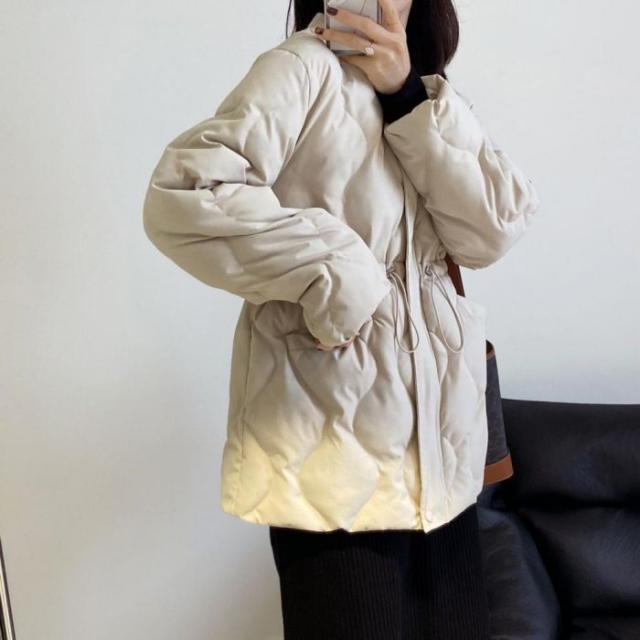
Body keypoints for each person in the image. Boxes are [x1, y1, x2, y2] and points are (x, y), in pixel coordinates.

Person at [142, 0, 540, 637]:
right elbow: (185, 194)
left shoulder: (428, 90)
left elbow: (491, 230)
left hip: (441, 467)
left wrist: (407, 95)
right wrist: (338, 270)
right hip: (332, 471)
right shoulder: (299, 69)